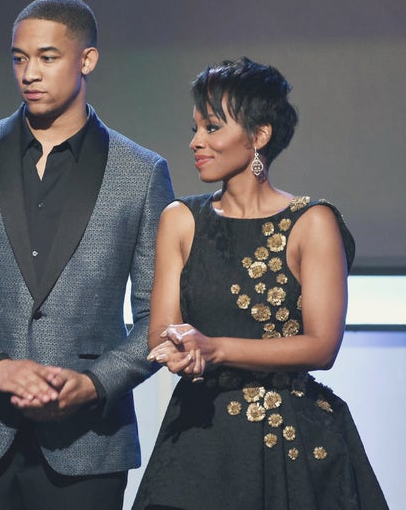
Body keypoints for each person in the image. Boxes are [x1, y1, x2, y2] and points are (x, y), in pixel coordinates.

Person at [0, 0, 174, 510]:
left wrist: (94, 383)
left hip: (89, 443)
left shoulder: (142, 172)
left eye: (47, 57)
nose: (29, 73)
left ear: (87, 60)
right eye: (19, 58)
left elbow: (158, 317)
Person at [132, 57, 388, 509]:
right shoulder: (180, 219)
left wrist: (217, 349)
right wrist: (176, 349)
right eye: (195, 128)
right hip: (199, 440)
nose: (196, 142)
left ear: (259, 136)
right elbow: (161, 332)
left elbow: (322, 347)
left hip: (291, 440)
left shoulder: (312, 222)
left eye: (211, 128)